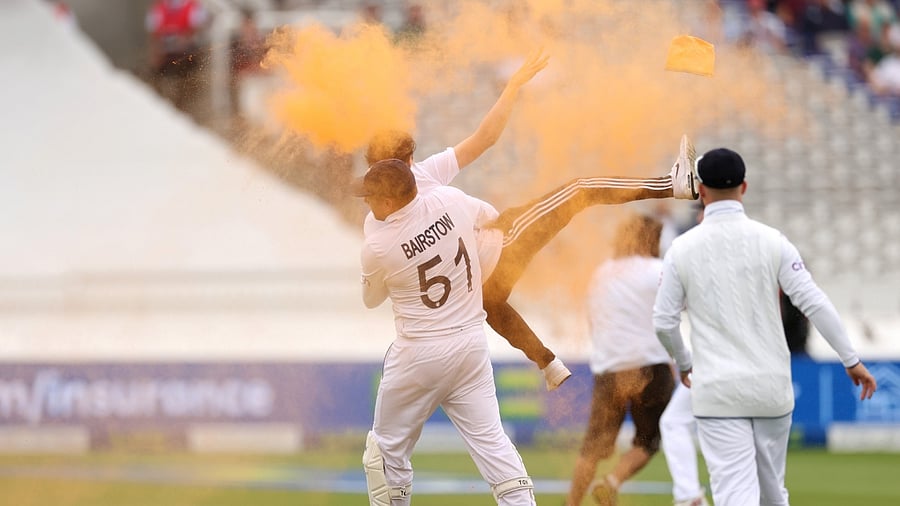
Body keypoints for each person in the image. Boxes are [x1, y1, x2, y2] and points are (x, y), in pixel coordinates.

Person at [364, 50, 700, 391]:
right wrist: (512, 88)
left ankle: (547, 362)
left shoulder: (379, 219)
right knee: (578, 191)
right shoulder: (419, 179)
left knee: (491, 303)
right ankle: (670, 184)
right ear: (405, 161)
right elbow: (483, 142)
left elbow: (483, 140)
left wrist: (511, 87)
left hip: (470, 289)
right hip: (502, 246)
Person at [652, 147, 878, 506]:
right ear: (744, 187)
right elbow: (815, 302)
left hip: (717, 391)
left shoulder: (682, 249)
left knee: (735, 496)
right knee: (773, 494)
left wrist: (684, 364)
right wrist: (851, 360)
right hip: (771, 390)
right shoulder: (773, 241)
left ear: (702, 192)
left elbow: (663, 322)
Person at [356, 159, 536, 506]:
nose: (367, 203)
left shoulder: (378, 246)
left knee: (383, 454)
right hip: (470, 344)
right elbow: (490, 217)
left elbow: (371, 299)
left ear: (390, 203)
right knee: (494, 445)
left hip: (419, 352)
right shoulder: (451, 199)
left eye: (372, 197)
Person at [565, 214, 677, 506]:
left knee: (593, 448)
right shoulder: (658, 270)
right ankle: (613, 481)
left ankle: (572, 502)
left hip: (610, 368)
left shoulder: (600, 274)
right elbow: (679, 309)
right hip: (651, 365)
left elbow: (592, 320)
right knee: (648, 440)